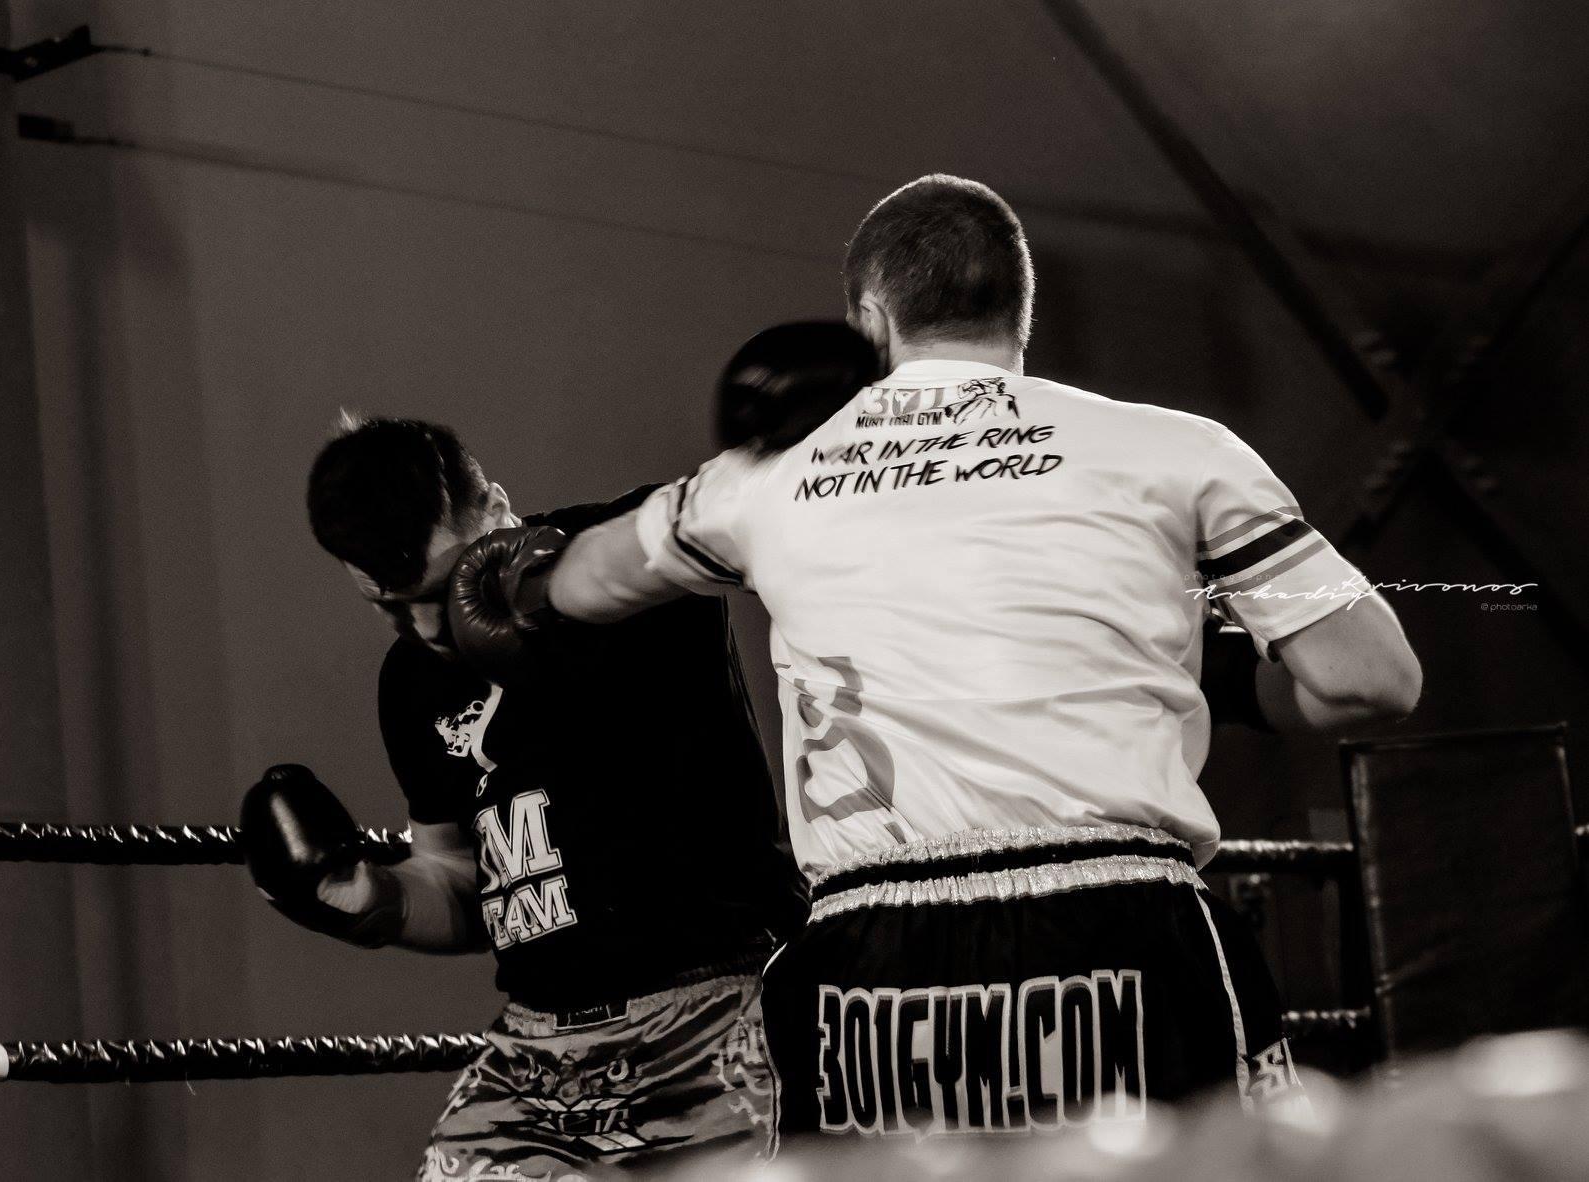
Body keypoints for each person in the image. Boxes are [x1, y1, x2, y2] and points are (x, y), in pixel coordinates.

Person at [450, 175, 1423, 1140]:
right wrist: (1224, 679)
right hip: (1123, 925)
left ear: (870, 319)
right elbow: (1371, 680)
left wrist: (509, 577)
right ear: (1019, 310)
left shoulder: (765, 478)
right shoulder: (1176, 451)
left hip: (873, 960)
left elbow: (584, 584)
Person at [239, 416, 805, 1179]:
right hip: (537, 1051)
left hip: (714, 1014)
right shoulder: (409, 681)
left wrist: (558, 596)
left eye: (438, 589)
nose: (425, 626)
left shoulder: (634, 553)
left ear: (499, 509)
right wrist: (360, 899)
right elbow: (458, 881)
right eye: (390, 606)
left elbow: (779, 513)